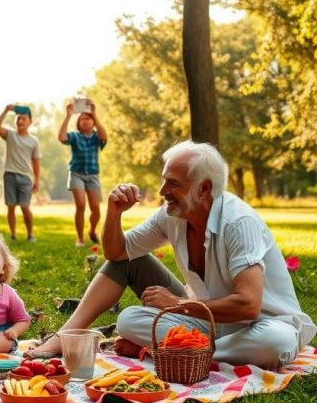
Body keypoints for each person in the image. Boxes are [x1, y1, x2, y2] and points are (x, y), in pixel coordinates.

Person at [26, 141, 315, 368]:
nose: (163, 191)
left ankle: (165, 351)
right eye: (165, 180)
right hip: (209, 324)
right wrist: (114, 214)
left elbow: (249, 305)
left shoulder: (238, 223)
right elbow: (117, 253)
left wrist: (178, 304)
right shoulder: (170, 215)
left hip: (261, 326)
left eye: (173, 183)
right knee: (127, 319)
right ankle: (65, 336)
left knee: (273, 344)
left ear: (204, 189)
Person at [58, 99, 107, 246]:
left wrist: (94, 113)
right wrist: (68, 115)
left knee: (96, 209)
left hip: (93, 176)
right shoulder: (75, 136)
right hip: (76, 174)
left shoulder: (96, 137)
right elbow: (61, 137)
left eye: (88, 119)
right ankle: (79, 238)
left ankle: (92, 231)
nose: (85, 121)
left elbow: (104, 136)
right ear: (78, 123)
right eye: (82, 119)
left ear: (93, 122)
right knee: (80, 205)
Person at [0, 104, 41, 242]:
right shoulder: (10, 135)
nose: (20, 121)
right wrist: (5, 110)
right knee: (11, 207)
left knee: (25, 207)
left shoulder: (33, 141)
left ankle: (30, 234)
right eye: (18, 119)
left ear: (29, 122)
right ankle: (13, 235)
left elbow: (36, 161)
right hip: (9, 175)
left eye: (23, 119)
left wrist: (37, 180)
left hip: (25, 177)